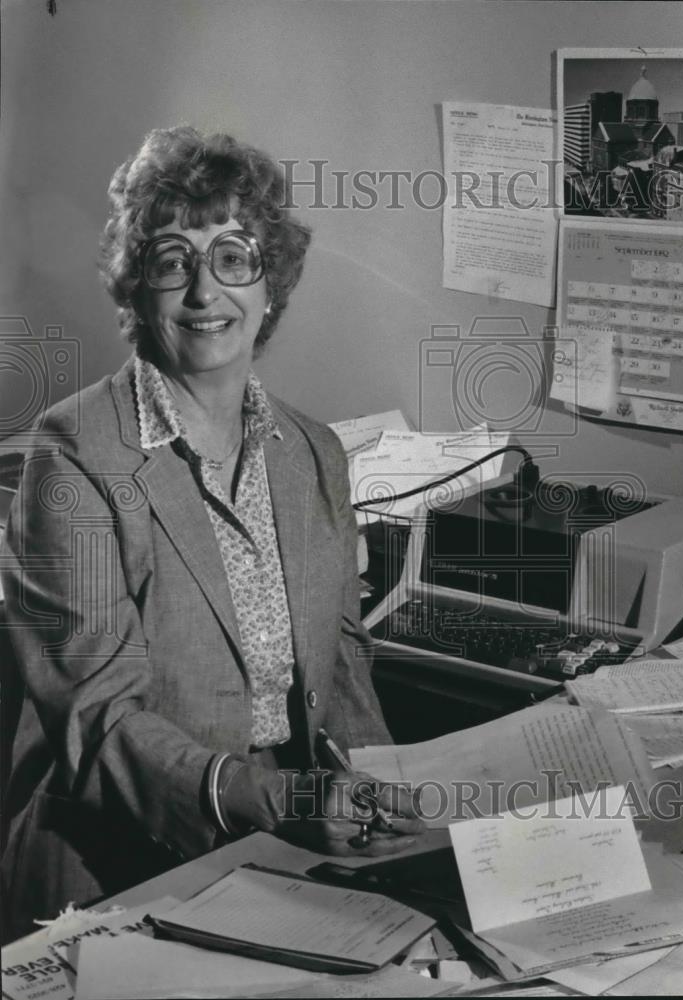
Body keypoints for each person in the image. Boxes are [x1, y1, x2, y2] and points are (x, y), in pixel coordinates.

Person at [0, 126, 423, 942]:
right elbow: (100, 721)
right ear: (136, 290)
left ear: (271, 282)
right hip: (113, 866)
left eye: (233, 256)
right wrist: (269, 800)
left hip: (290, 848)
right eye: (171, 262)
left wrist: (385, 800)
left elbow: (342, 675)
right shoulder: (76, 454)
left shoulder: (312, 453)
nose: (204, 292)